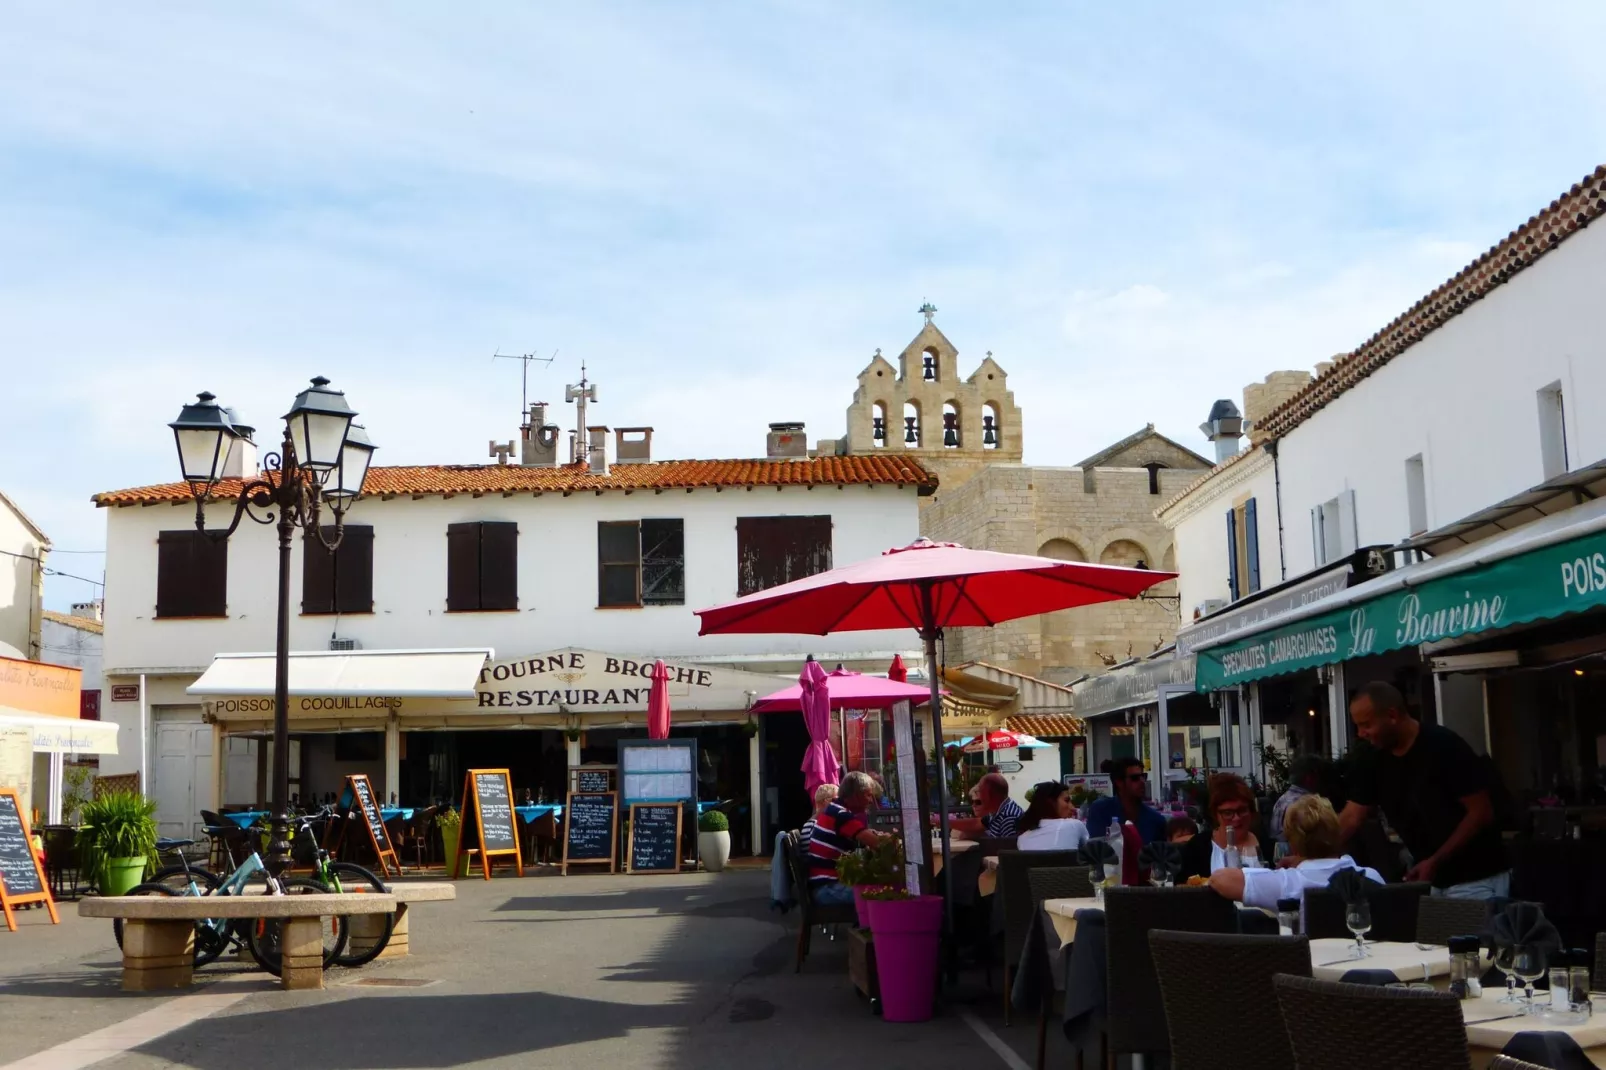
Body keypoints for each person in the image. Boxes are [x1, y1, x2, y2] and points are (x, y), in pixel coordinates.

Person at [1339, 680, 1509, 899]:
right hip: (1431, 881)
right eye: (1357, 726)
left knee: (1467, 934)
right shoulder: (1373, 758)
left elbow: (1481, 813)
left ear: (1392, 715)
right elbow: (1352, 817)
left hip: (1477, 877)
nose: (1361, 733)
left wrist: (1435, 860)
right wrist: (1310, 856)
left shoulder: (1443, 745)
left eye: (1366, 725)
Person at [1209, 794, 1382, 913]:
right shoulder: (1371, 876)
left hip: (1307, 963)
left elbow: (1219, 879)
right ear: (1337, 832)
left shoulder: (1287, 883)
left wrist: (1285, 869)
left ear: (1293, 843)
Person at [806, 771, 891, 905]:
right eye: (868, 795)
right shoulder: (841, 815)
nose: (870, 800)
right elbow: (878, 844)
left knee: (878, 885)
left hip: (824, 885)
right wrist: (893, 839)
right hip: (828, 888)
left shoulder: (834, 809)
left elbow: (864, 836)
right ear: (856, 795)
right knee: (885, 894)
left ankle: (865, 924)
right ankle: (869, 925)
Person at [1177, 773, 1262, 881]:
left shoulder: (1266, 845)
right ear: (1215, 814)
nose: (1236, 818)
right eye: (1228, 812)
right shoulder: (1198, 848)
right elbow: (1183, 890)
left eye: (1242, 810)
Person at [1083, 756, 1168, 844]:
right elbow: (1097, 851)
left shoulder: (1156, 820)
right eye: (1135, 778)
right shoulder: (1101, 810)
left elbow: (1160, 854)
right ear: (1119, 782)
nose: (1142, 781)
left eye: (1143, 776)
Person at [1015, 781, 1090, 851]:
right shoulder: (1074, 825)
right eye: (1066, 801)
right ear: (1050, 803)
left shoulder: (1021, 839)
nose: (1073, 807)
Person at [949, 773, 1025, 840]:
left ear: (993, 795)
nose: (980, 796)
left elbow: (1007, 851)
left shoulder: (1008, 817)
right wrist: (944, 822)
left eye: (981, 792)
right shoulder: (998, 811)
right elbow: (975, 823)